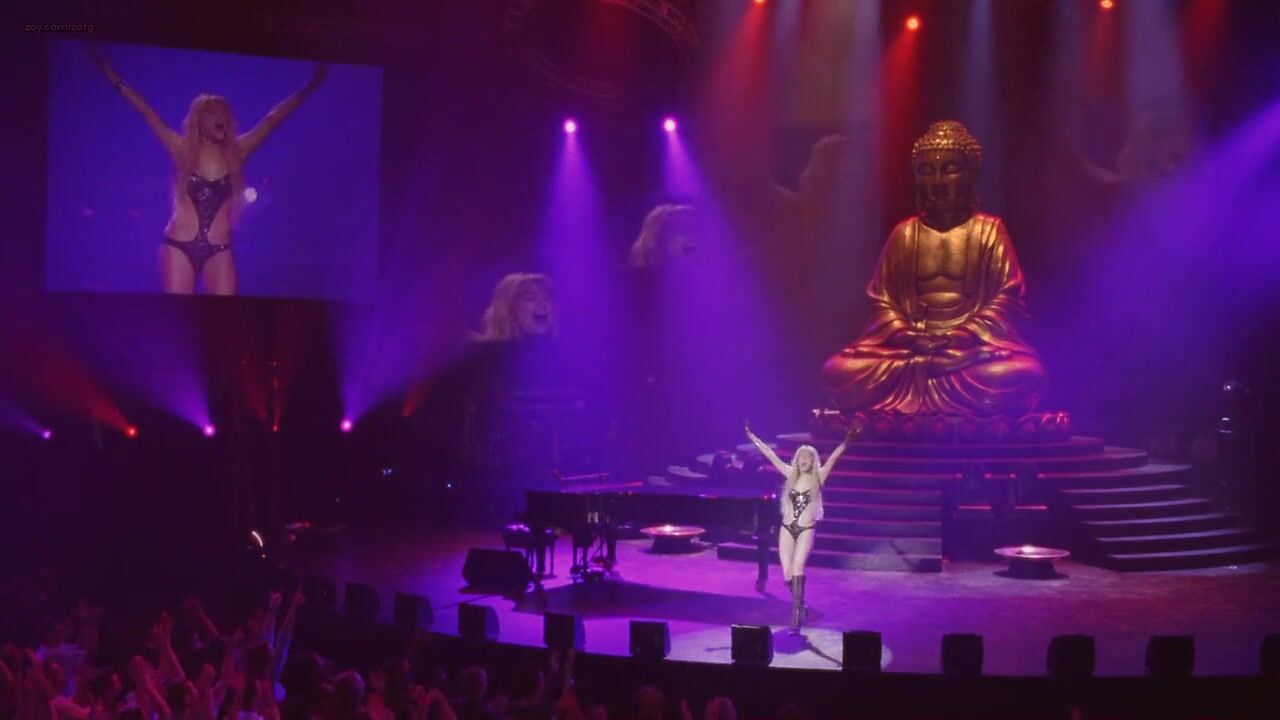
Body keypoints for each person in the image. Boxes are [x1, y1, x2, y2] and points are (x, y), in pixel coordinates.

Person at [822, 120, 1045, 416]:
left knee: (1022, 374)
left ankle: (917, 397)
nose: (937, 181)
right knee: (839, 371)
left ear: (970, 175)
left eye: (949, 169)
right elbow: (881, 303)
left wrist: (961, 335)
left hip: (968, 350)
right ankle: (930, 387)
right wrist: (905, 335)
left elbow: (1008, 299)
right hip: (908, 349)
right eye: (926, 171)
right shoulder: (904, 234)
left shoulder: (989, 231)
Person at [88, 45, 326, 295]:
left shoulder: (238, 151)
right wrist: (109, 73)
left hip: (220, 250)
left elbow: (273, 118)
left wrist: (309, 87)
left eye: (224, 113)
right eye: (213, 113)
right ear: (199, 122)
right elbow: (147, 112)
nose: (220, 117)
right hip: (178, 246)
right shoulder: (181, 149)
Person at [744, 422, 857, 633]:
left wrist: (847, 441)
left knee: (797, 568)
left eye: (808, 457)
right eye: (801, 457)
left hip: (806, 529)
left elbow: (834, 457)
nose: (804, 460)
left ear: (813, 461)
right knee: (787, 574)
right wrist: (753, 438)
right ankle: (801, 605)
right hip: (786, 529)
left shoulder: (819, 476)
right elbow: (770, 454)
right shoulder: (790, 473)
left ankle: (795, 618)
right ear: (797, 460)